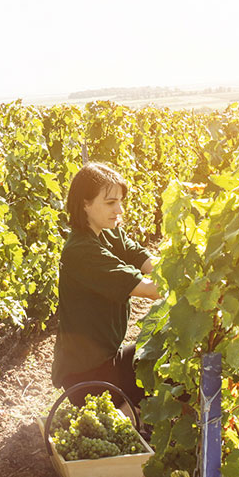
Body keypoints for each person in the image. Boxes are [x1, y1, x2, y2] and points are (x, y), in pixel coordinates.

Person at [52, 163, 160, 408]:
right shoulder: (81, 251)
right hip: (88, 377)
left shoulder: (108, 233)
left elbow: (141, 257)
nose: (119, 210)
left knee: (162, 350)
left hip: (108, 361)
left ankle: (129, 409)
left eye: (120, 201)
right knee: (165, 355)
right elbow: (148, 290)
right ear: (85, 204)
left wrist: (178, 269)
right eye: (110, 203)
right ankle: (123, 410)